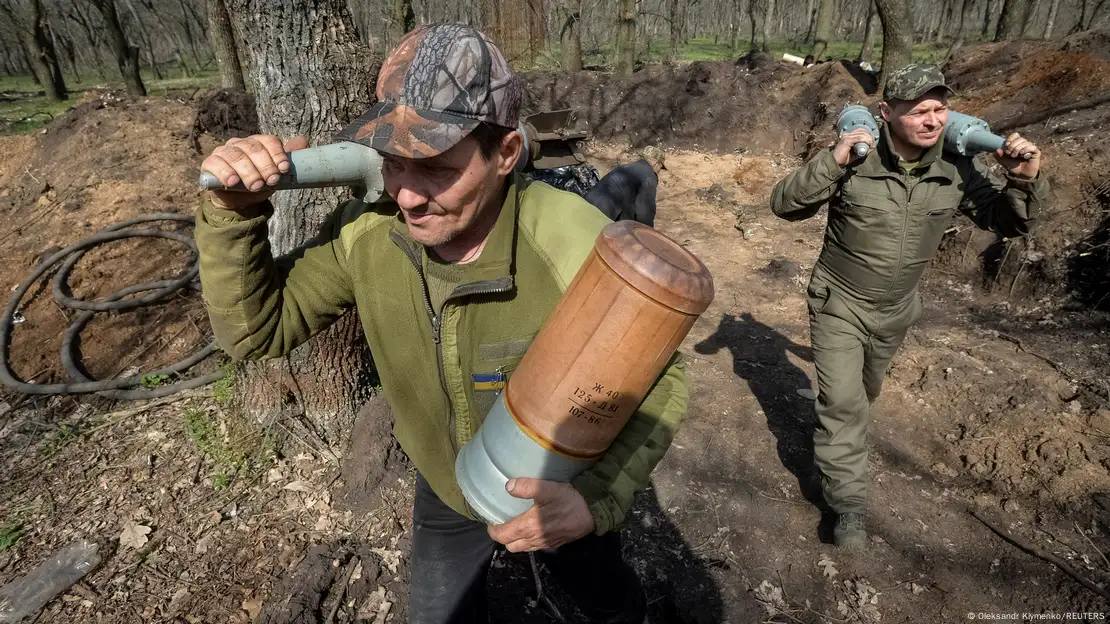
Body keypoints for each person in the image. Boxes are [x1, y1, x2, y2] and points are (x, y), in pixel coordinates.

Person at [194, 23, 688, 624]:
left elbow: (663, 384)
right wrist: (233, 215)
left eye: (435, 168)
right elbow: (253, 333)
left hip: (553, 485)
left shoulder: (573, 241)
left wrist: (591, 503)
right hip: (446, 487)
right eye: (394, 163)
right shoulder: (367, 234)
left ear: (506, 153)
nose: (406, 196)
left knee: (604, 598)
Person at [770, 64, 1048, 551]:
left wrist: (1021, 182)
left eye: (940, 109)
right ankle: (848, 506)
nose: (932, 119)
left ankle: (834, 457)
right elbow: (785, 204)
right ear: (886, 113)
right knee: (843, 404)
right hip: (840, 302)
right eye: (919, 110)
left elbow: (1006, 222)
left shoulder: (955, 167)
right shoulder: (856, 155)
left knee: (863, 395)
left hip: (897, 309)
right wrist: (832, 161)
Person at [583, 146, 665, 227]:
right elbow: (645, 212)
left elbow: (629, 206)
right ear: (655, 162)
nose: (659, 171)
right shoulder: (649, 176)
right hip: (602, 215)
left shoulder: (625, 168)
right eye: (660, 167)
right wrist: (648, 233)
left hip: (586, 204)